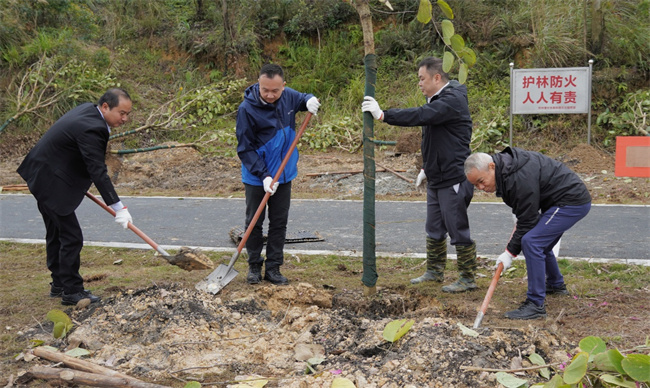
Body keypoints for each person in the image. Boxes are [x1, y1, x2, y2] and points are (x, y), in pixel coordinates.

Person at [361, 56, 478, 293]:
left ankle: (468, 277)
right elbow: (434, 138)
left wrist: (383, 115)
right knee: (434, 226)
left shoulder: (452, 100)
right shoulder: (436, 98)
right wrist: (426, 167)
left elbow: (421, 115)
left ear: (437, 77)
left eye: (421, 78)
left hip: (454, 176)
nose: (419, 83)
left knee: (457, 227)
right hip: (437, 175)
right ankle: (434, 271)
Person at [17, 88, 134, 306]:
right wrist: (119, 207)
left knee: (57, 233)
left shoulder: (88, 110)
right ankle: (72, 291)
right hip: (50, 181)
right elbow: (97, 170)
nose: (125, 119)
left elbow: (75, 152)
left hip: (42, 172)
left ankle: (59, 284)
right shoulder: (93, 127)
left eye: (127, 114)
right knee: (71, 237)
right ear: (106, 107)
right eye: (122, 113)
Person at [464, 147, 592, 319]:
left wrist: (510, 252)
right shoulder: (507, 173)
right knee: (540, 243)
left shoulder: (517, 177)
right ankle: (555, 284)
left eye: (481, 181)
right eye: (475, 185)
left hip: (570, 202)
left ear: (492, 166)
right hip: (556, 202)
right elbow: (524, 215)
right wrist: (510, 249)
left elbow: (528, 220)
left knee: (533, 242)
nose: (480, 187)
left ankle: (535, 305)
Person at [236, 64, 320, 285]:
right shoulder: (247, 109)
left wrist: (310, 99)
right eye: (265, 90)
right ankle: (254, 266)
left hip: (284, 174)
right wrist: (263, 175)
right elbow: (244, 148)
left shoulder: (289, 96)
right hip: (257, 177)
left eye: (275, 90)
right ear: (258, 84)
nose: (270, 95)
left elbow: (303, 98)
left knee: (279, 222)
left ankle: (273, 268)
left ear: (283, 86)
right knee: (254, 223)